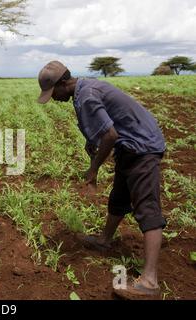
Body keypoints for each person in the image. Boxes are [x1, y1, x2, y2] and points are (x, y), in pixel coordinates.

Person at [37, 61, 167, 299]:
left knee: (147, 208)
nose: (52, 98)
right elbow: (102, 128)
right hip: (130, 146)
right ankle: (105, 240)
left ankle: (149, 281)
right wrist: (92, 142)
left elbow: (110, 134)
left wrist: (93, 168)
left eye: (52, 92)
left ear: (63, 84)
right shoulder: (83, 88)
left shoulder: (86, 96)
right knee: (119, 196)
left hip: (142, 147)